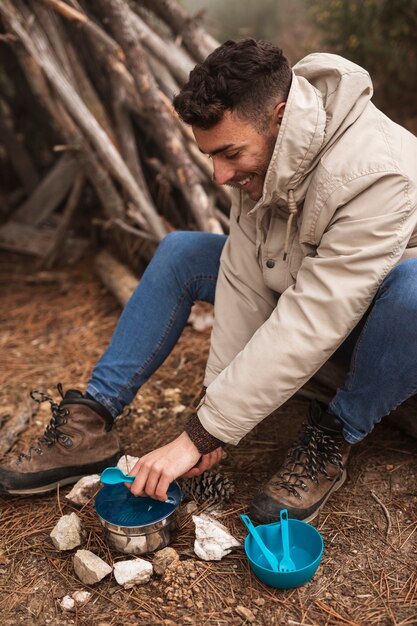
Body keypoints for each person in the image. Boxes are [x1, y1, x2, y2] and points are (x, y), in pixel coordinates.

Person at [1, 39, 417, 523]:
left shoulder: (380, 171)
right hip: (305, 296)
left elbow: (317, 317)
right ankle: (90, 420)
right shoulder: (270, 154)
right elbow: (244, 276)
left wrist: (198, 436)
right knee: (182, 251)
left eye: (229, 153)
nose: (219, 175)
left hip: (381, 340)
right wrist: (211, 427)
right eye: (210, 156)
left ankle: (335, 434)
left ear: (281, 118)